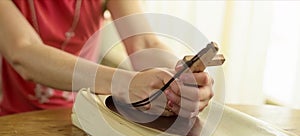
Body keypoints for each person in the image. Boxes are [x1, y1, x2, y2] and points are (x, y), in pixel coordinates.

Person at [0, 0, 214, 118]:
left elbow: (143, 43)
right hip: (11, 120)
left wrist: (179, 80)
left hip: (79, 117)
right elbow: (24, 51)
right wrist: (124, 83)